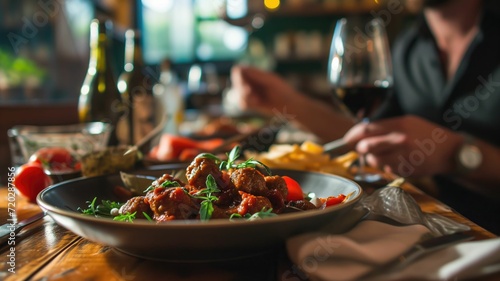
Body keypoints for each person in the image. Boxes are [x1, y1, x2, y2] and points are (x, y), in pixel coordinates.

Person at [230, 0, 500, 234]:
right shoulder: (410, 44)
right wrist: (286, 102)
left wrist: (457, 154)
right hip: (435, 228)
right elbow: (367, 133)